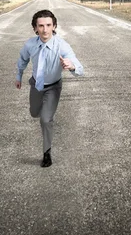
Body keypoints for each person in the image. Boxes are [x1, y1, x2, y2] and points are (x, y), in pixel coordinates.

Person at [15, 9, 84, 167]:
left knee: (45, 120)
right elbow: (22, 60)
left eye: (48, 25)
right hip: (36, 85)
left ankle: (47, 153)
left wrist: (71, 66)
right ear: (35, 28)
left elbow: (78, 66)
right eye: (41, 26)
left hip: (53, 87)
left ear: (54, 26)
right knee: (34, 113)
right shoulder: (30, 44)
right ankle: (43, 110)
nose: (45, 29)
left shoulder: (61, 45)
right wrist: (18, 76)